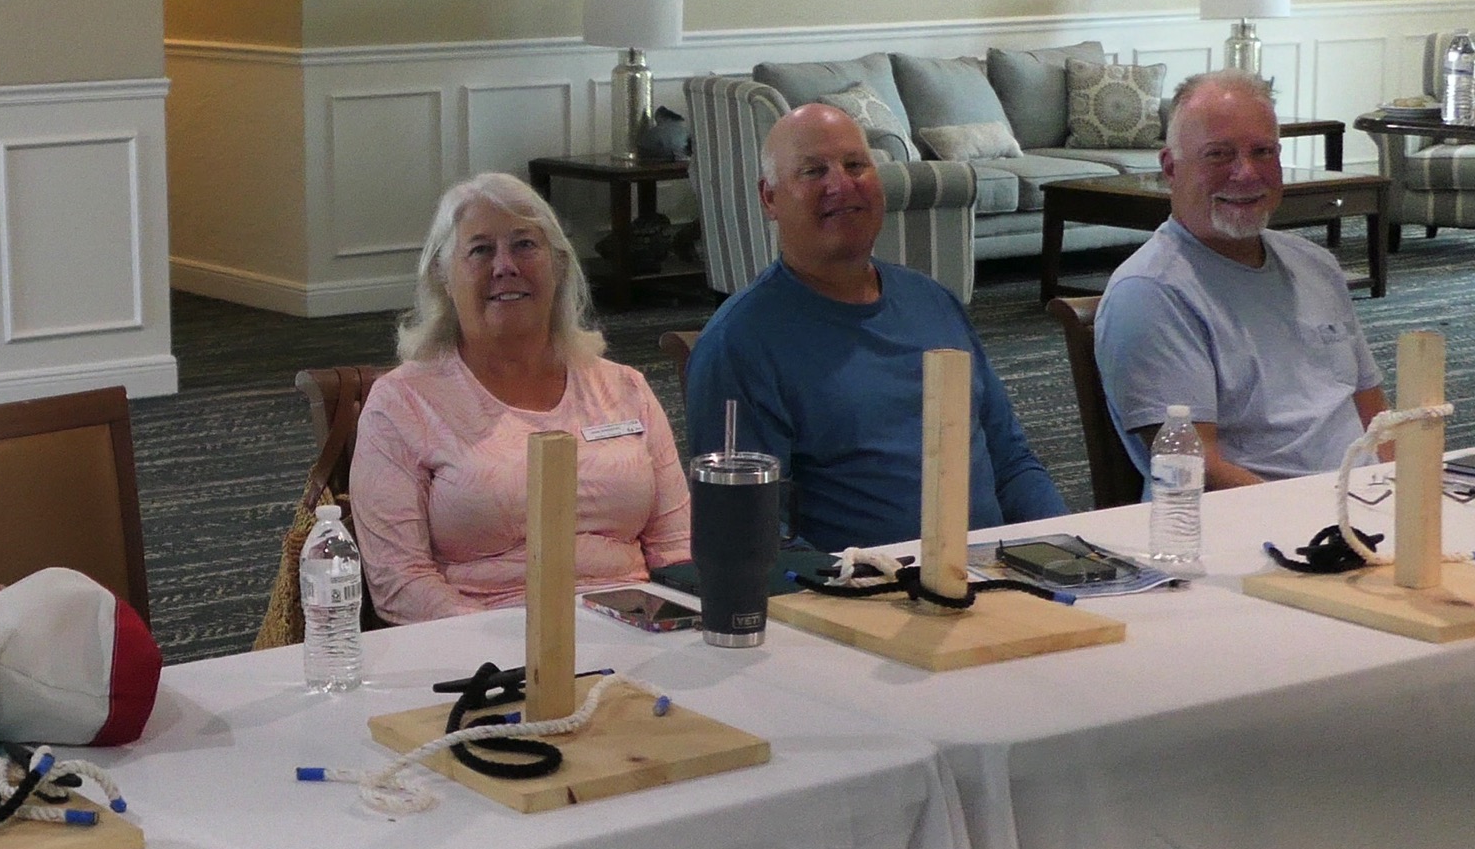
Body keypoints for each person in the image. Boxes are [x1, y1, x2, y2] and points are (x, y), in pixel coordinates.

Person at [685, 103, 1064, 552]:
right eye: (813, 171)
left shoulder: (933, 302)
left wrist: (1067, 550)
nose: (840, 185)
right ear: (770, 198)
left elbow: (1011, 462)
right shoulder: (739, 344)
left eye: (855, 165)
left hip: (995, 574)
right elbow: (750, 534)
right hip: (858, 586)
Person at [348, 173, 690, 623]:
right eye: (480, 250)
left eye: (525, 245)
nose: (505, 265)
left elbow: (676, 551)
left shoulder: (626, 388)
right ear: (443, 277)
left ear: (559, 266)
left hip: (632, 633)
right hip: (481, 644)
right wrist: (515, 646)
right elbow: (400, 583)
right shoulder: (402, 403)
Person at [1095, 70, 1385, 488]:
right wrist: (1322, 516)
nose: (1246, 173)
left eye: (1263, 152)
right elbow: (1197, 470)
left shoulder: (1315, 264)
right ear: (1171, 168)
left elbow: (1377, 418)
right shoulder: (1150, 294)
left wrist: (1413, 496)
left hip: (1369, 504)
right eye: (1218, 155)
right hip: (1261, 518)